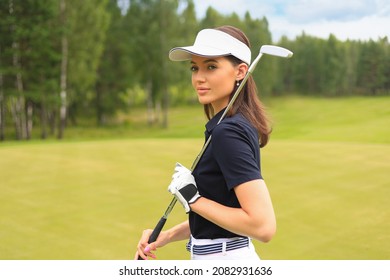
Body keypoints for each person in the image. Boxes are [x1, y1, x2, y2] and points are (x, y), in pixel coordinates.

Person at [135, 25, 276, 260]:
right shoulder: (229, 125)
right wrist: (168, 235)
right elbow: (223, 215)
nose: (199, 78)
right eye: (194, 67)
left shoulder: (227, 132)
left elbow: (263, 227)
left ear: (241, 71)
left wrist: (193, 199)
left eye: (211, 67)